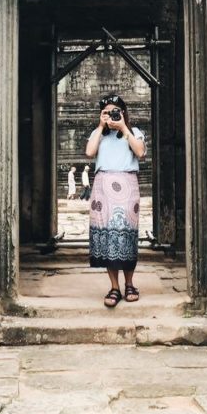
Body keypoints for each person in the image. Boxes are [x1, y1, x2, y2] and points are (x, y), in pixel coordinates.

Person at [85, 94, 146, 308]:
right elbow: (89, 152)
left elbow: (140, 152)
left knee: (126, 235)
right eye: (107, 112)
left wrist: (123, 128)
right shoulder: (98, 134)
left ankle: (130, 284)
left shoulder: (134, 133)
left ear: (123, 112)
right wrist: (101, 127)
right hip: (103, 188)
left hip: (127, 187)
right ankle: (114, 287)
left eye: (115, 111)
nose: (112, 115)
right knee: (108, 237)